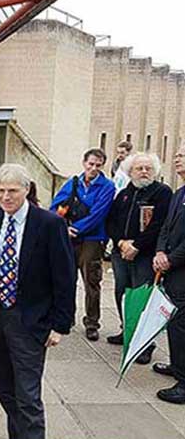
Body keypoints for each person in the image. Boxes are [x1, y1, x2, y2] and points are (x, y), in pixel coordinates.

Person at [0, 164, 75, 439]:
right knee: (6, 392)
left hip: (31, 321)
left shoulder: (49, 223)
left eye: (12, 190)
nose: (6, 196)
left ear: (26, 189)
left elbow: (65, 276)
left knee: (28, 397)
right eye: (1, 191)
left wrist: (60, 325)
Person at [105, 153, 172, 364]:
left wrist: (136, 245)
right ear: (130, 171)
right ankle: (128, 329)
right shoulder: (124, 194)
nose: (143, 172)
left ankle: (145, 343)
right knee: (122, 292)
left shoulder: (162, 193)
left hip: (144, 255)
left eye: (148, 168)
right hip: (121, 252)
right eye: (139, 168)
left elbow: (158, 225)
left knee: (141, 296)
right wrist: (121, 243)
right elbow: (111, 221)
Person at [50, 148, 115, 341]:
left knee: (91, 281)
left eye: (98, 165)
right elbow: (55, 206)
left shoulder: (107, 186)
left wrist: (76, 229)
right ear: (84, 163)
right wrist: (63, 227)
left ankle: (92, 322)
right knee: (66, 279)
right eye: (91, 164)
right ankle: (67, 317)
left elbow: (98, 214)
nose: (93, 168)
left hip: (92, 239)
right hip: (69, 238)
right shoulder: (73, 183)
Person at [152, 144, 185, 404]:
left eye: (183, 155)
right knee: (173, 323)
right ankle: (177, 365)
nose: (177, 159)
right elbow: (165, 227)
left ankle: (183, 384)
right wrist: (160, 251)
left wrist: (170, 261)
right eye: (177, 155)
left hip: (181, 271)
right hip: (172, 270)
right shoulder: (179, 193)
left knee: (180, 325)